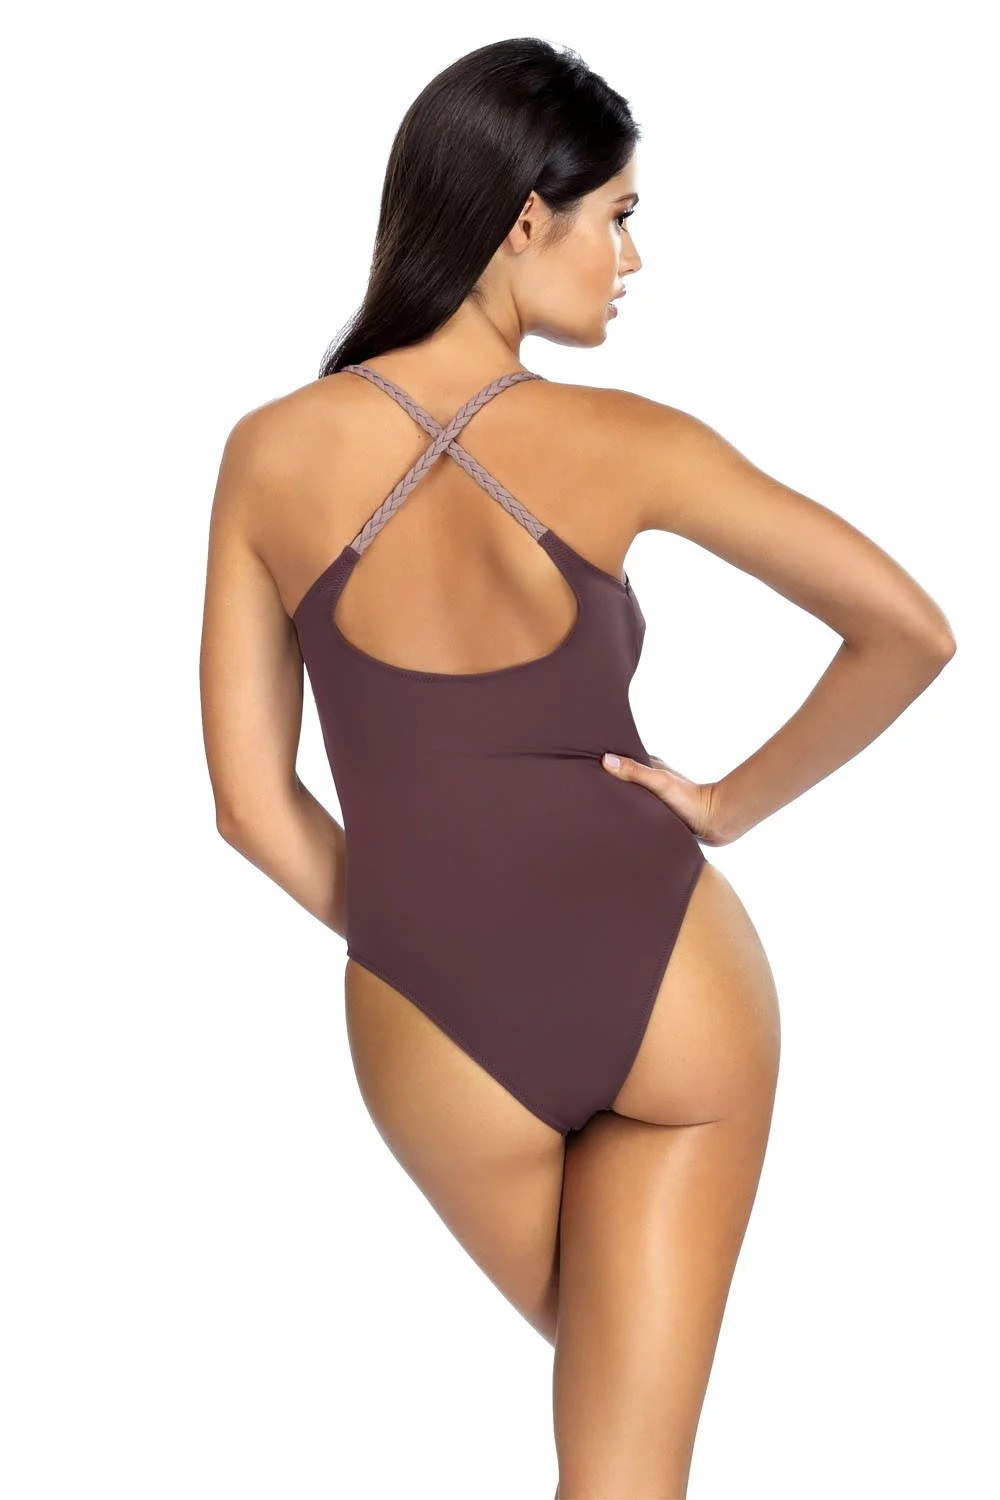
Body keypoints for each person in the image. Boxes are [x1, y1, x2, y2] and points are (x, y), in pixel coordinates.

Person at [199, 38, 956, 1499]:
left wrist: (422, 924)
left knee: (608, 1424)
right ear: (522, 220)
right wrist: (725, 806)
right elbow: (909, 631)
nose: (634, 258)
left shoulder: (267, 453)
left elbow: (249, 803)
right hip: (667, 972)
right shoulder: (629, 443)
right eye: (618, 216)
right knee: (625, 1466)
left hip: (427, 1018)